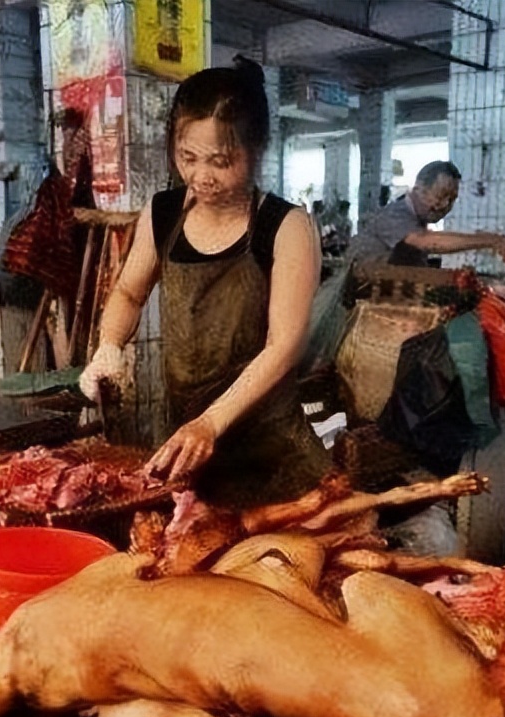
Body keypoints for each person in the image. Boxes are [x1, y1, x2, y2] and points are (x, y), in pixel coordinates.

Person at [78, 57, 330, 508]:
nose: (201, 176)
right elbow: (129, 293)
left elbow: (284, 345)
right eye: (187, 158)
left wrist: (212, 422)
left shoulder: (286, 225)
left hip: (272, 455)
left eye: (221, 161)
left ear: (256, 150)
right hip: (189, 447)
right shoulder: (162, 213)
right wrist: (109, 346)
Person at [345, 161, 505, 269]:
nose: (445, 205)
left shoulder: (418, 222)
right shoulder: (394, 215)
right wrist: (492, 240)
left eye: (452, 199)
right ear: (419, 189)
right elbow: (427, 241)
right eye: (441, 196)